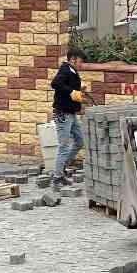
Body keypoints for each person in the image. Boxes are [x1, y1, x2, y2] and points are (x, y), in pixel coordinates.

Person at [50, 45, 88, 187]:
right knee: (64, 146)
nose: (81, 64)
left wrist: (79, 89)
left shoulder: (72, 71)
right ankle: (58, 177)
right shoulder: (65, 69)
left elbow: (68, 85)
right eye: (80, 61)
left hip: (71, 114)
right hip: (63, 114)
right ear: (72, 59)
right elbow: (55, 84)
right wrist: (72, 91)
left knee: (80, 141)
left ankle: (63, 166)